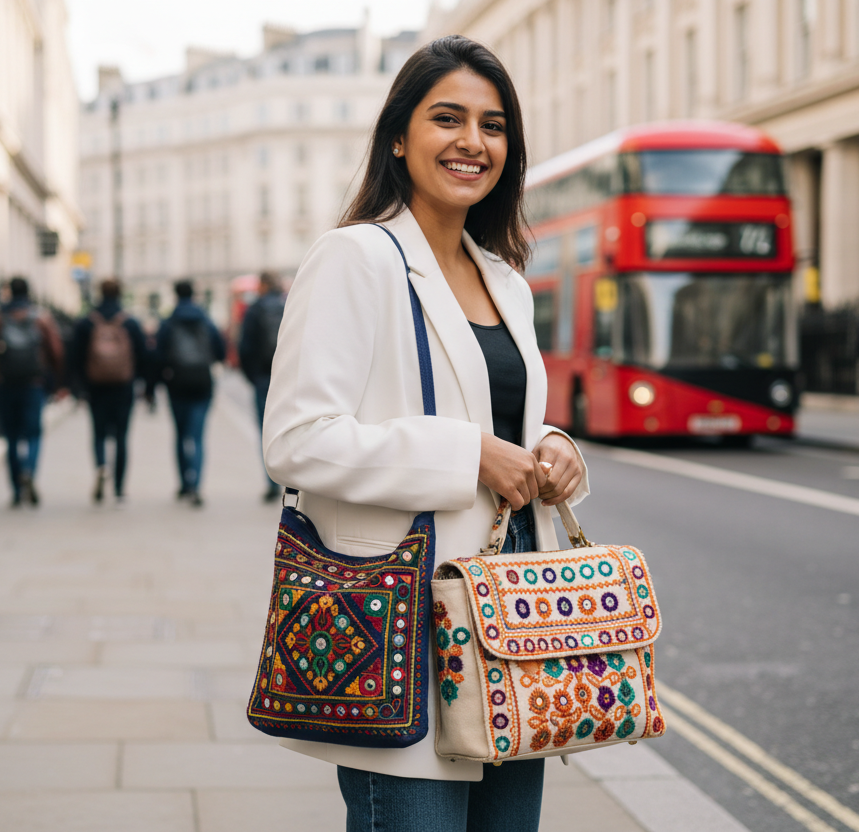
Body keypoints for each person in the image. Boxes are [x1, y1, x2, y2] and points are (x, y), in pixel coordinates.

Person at [262, 36, 589, 832]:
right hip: (404, 625)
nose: (472, 142)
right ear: (400, 137)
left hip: (512, 624)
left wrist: (554, 448)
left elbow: (498, 409)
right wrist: (467, 454)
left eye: (493, 125)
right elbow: (297, 439)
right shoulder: (356, 258)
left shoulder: (506, 278)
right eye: (448, 118)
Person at [0, 276, 65, 507]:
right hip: (33, 384)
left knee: (12, 437)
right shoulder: (41, 318)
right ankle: (29, 471)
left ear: (8, 292)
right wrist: (56, 382)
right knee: (34, 434)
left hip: (5, 383)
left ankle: (16, 490)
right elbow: (56, 352)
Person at [72, 278, 148, 503]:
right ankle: (119, 489)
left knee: (98, 433)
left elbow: (75, 356)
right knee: (122, 437)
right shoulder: (129, 323)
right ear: (120, 293)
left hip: (95, 387)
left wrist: (78, 387)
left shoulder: (87, 322)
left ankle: (101, 466)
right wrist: (144, 385)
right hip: (123, 387)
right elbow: (143, 355)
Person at [155, 280, 225, 506]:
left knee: (180, 434)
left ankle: (184, 483)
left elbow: (158, 354)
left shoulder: (169, 321)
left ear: (175, 295)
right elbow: (220, 349)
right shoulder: (206, 320)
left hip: (177, 382)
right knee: (197, 436)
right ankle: (197, 485)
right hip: (202, 382)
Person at [238, 271, 286, 502]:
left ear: (262, 285)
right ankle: (291, 481)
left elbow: (244, 346)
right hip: (287, 377)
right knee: (289, 428)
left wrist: (252, 376)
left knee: (265, 430)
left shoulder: (255, 309)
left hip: (262, 377)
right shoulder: (289, 302)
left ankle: (271, 482)